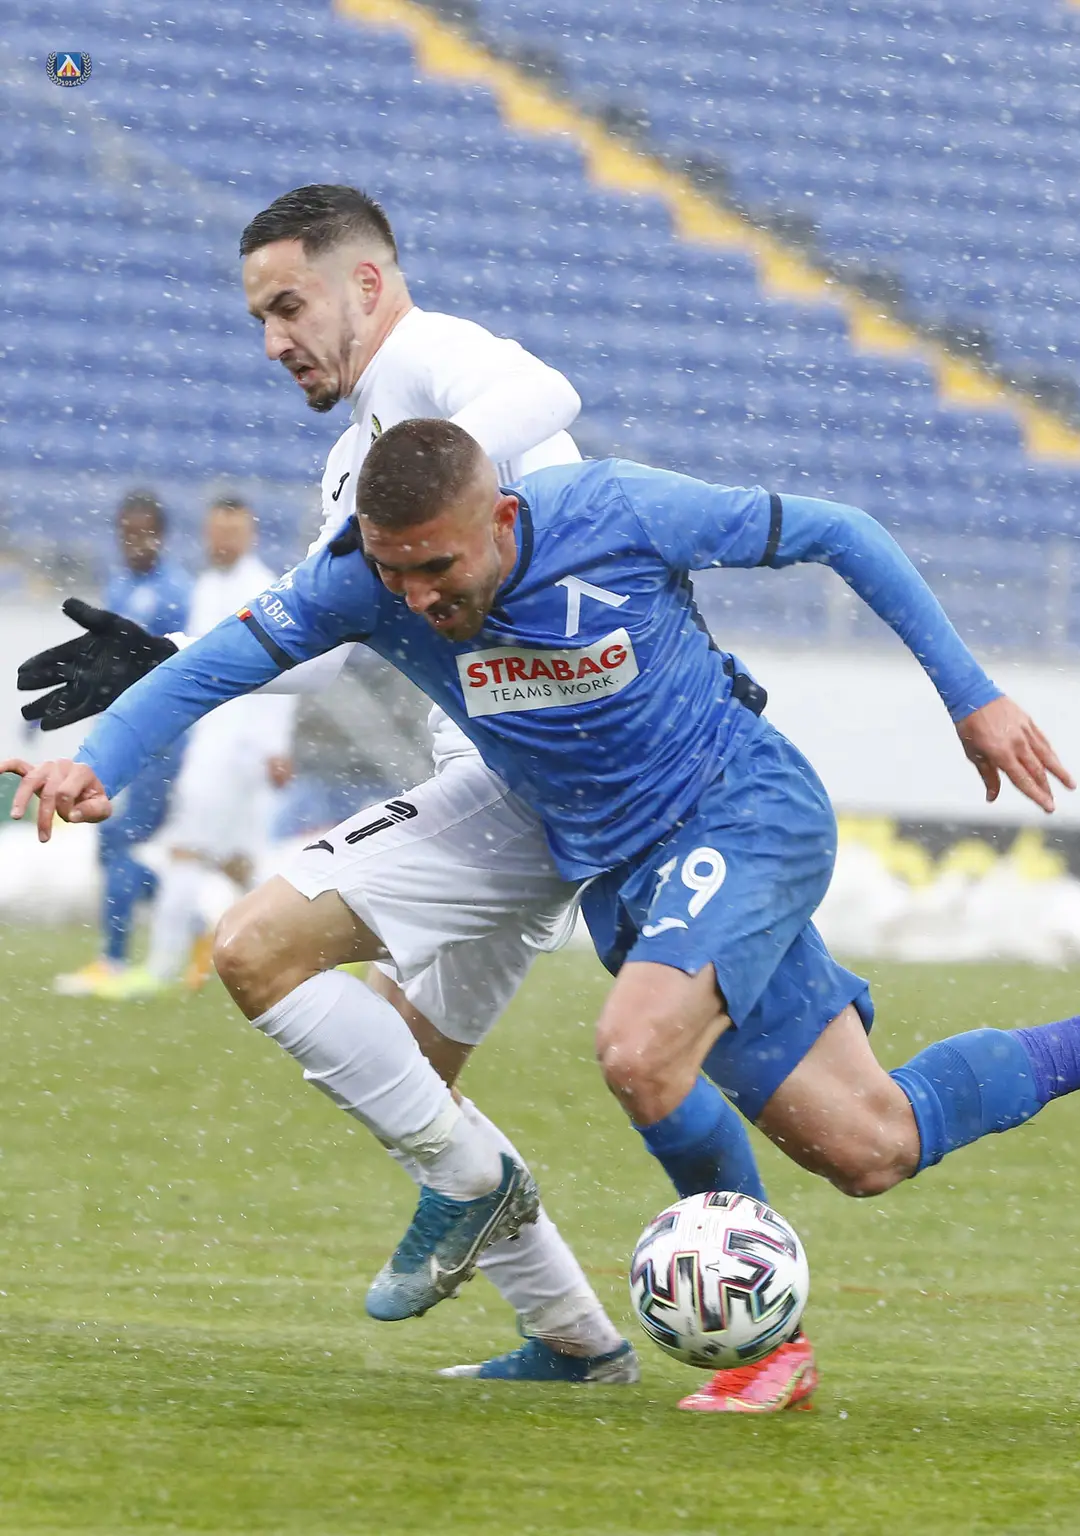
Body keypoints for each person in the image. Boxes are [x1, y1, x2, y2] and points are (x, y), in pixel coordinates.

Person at [12, 425, 1080, 1413]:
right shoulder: (365, 582)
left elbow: (841, 530)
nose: (419, 598)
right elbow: (222, 661)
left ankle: (768, 1350)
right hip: (631, 875)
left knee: (636, 1049)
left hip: (745, 809)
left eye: (440, 567)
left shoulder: (612, 511)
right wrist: (101, 761)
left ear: (501, 517)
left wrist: (972, 696)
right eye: (396, 573)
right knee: (870, 1143)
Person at [18, 186, 638, 1389]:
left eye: (289, 306)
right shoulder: (357, 459)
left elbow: (546, 393)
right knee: (410, 1075)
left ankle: (500, 1205)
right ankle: (577, 1343)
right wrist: (162, 661)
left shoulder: (431, 359)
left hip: (520, 779)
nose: (273, 341)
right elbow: (313, 635)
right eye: (259, 318)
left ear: (366, 284)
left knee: (265, 958)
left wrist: (423, 495)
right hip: (536, 775)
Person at [110, 497, 296, 997]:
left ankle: (161, 967)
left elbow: (288, 669)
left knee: (185, 851)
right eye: (216, 531)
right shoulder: (208, 585)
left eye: (232, 532)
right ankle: (307, 952)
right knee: (242, 864)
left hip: (239, 750)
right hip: (212, 740)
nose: (222, 541)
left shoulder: (265, 589)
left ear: (251, 535)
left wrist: (274, 746)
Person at [51, 491, 191, 998]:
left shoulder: (175, 592)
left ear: (162, 536)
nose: (135, 543)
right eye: (127, 533)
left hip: (160, 740)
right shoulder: (120, 584)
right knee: (112, 843)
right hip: (126, 733)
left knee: (119, 838)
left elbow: (181, 669)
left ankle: (114, 960)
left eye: (144, 533)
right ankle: (192, 913)